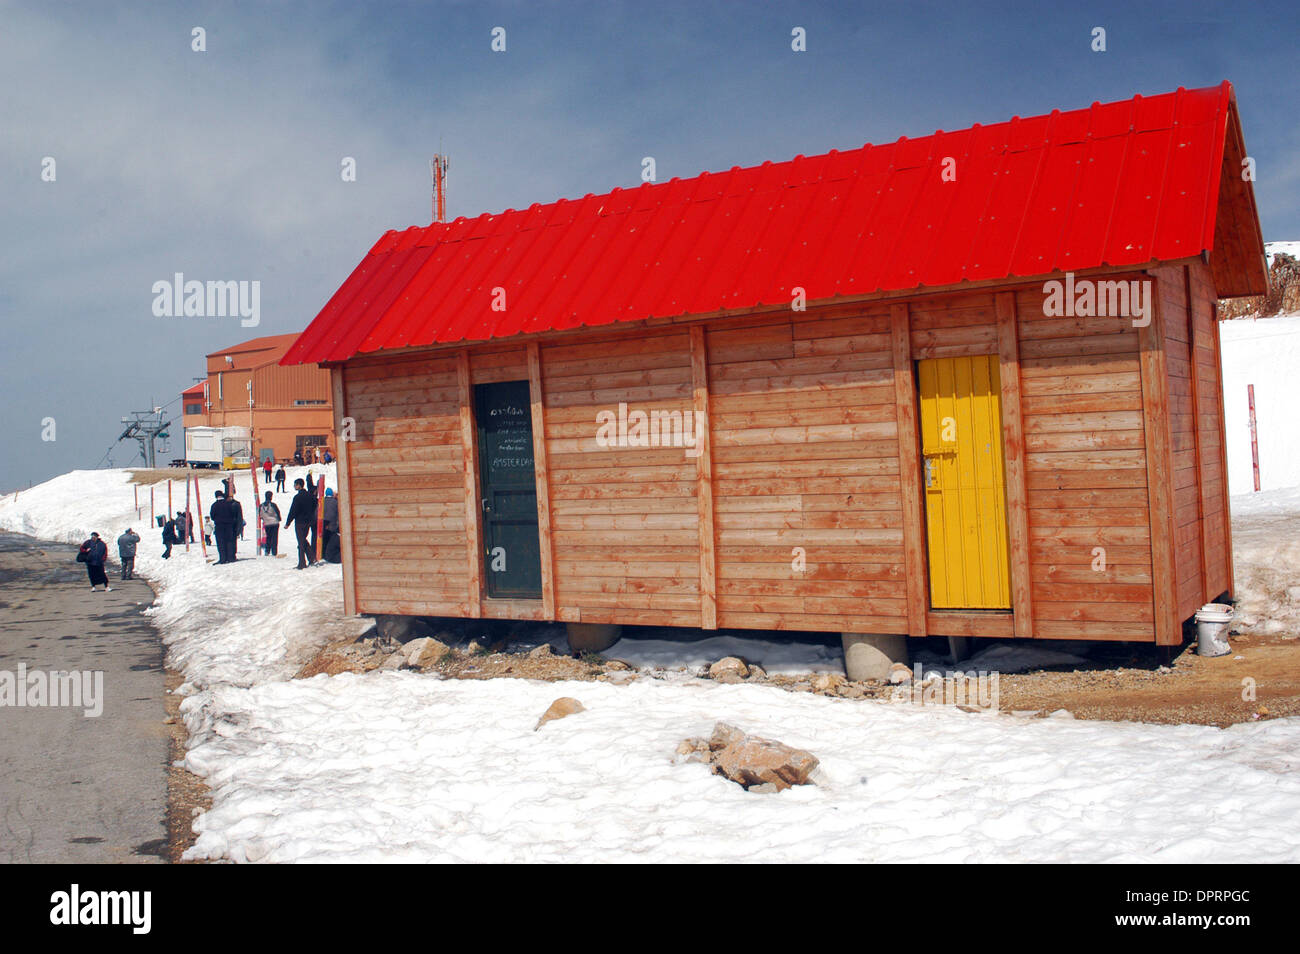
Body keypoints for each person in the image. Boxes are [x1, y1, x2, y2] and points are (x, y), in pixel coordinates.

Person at [284, 478, 317, 569]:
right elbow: (315, 506)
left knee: (301, 542)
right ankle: (312, 558)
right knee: (303, 539)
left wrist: (288, 523)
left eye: (295, 484)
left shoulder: (297, 497)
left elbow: (293, 511)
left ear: (299, 485)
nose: (294, 486)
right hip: (308, 522)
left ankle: (302, 563)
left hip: (299, 522)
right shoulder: (310, 496)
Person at [210, 490, 236, 564]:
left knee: (221, 542)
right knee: (229, 541)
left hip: (219, 526)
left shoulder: (214, 505)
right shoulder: (229, 504)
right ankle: (230, 557)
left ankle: (223, 558)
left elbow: (212, 516)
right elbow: (233, 514)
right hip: (229, 525)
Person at [259, 491, 281, 556]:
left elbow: (260, 515)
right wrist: (279, 519)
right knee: (274, 538)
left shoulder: (261, 506)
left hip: (267, 523)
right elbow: (278, 513)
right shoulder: (273, 505)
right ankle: (274, 551)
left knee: (268, 537)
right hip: (274, 523)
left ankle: (267, 550)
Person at [321, 487, 339, 556]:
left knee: (324, 539)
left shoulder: (322, 501)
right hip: (332, 524)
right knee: (331, 539)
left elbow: (316, 513)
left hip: (323, 524)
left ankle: (323, 554)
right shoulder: (335, 502)